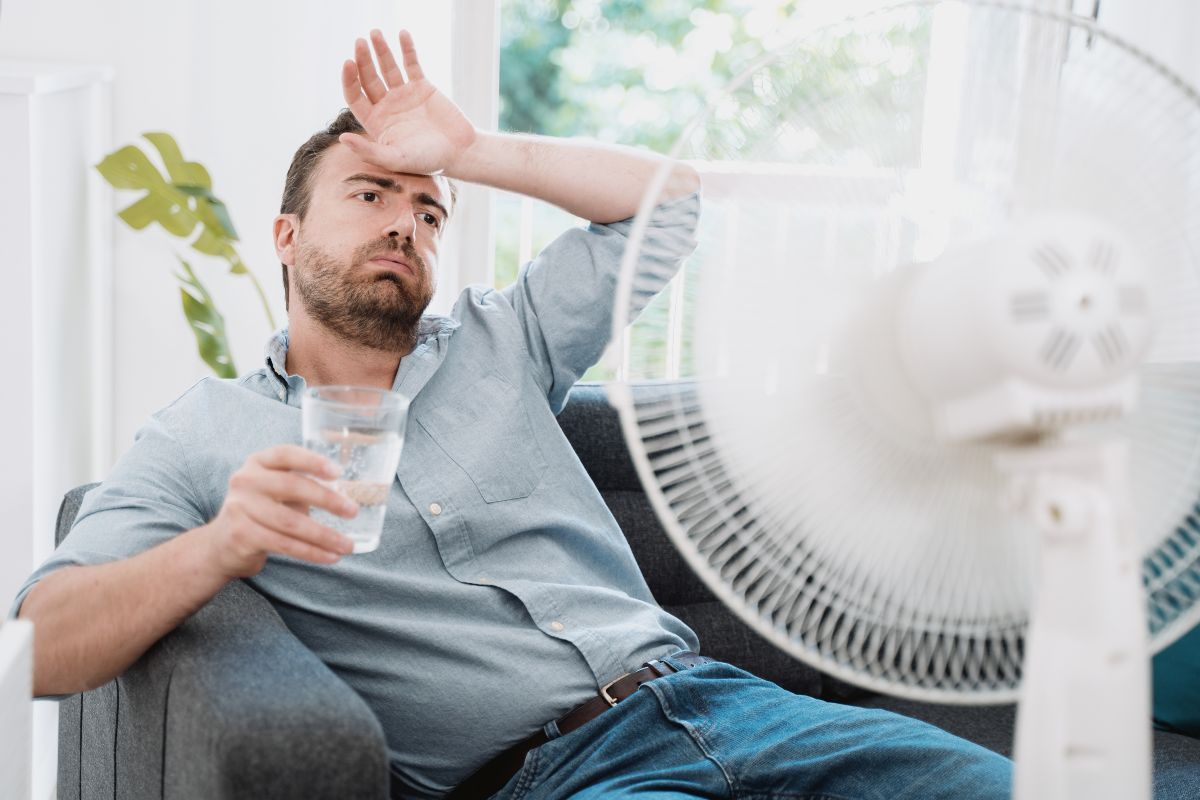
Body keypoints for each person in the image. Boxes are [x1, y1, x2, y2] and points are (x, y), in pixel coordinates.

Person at [11, 29, 1012, 799]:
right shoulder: (202, 436)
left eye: (428, 208)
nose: (405, 218)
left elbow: (667, 206)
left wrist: (471, 150)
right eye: (369, 194)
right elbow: (40, 646)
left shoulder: (504, 339)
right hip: (555, 774)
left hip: (730, 704)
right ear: (286, 234)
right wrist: (223, 543)